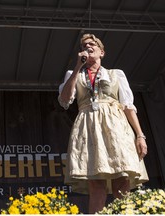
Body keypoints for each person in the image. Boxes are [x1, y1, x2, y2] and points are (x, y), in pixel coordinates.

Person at [58, 33, 149, 213]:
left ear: (102, 52)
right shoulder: (73, 74)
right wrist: (78, 67)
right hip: (89, 127)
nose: (88, 47)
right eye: (84, 46)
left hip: (116, 126)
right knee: (96, 182)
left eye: (92, 44)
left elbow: (128, 107)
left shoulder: (116, 74)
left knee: (121, 180)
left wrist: (140, 135)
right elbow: (64, 100)